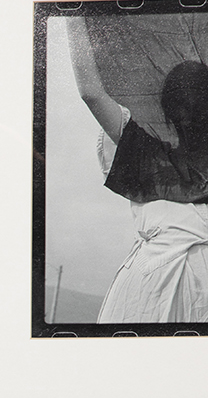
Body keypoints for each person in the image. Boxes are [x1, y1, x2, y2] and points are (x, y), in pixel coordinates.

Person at [66, 17, 208, 323]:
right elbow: (91, 93)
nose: (188, 116)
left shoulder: (147, 155)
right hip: (151, 293)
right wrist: (74, 12)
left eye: (195, 104)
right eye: (183, 105)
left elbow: (92, 93)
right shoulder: (147, 155)